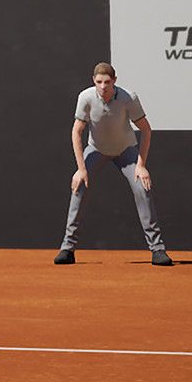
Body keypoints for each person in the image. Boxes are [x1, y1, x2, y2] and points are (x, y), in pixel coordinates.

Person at [56, 63, 170, 267]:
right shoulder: (86, 97)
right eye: (99, 82)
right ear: (94, 80)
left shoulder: (128, 98)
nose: (103, 86)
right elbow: (76, 131)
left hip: (126, 150)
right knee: (79, 186)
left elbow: (146, 130)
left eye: (107, 82)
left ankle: (157, 249)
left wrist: (141, 165)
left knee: (143, 188)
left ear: (114, 81)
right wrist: (81, 169)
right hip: (96, 150)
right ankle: (67, 248)